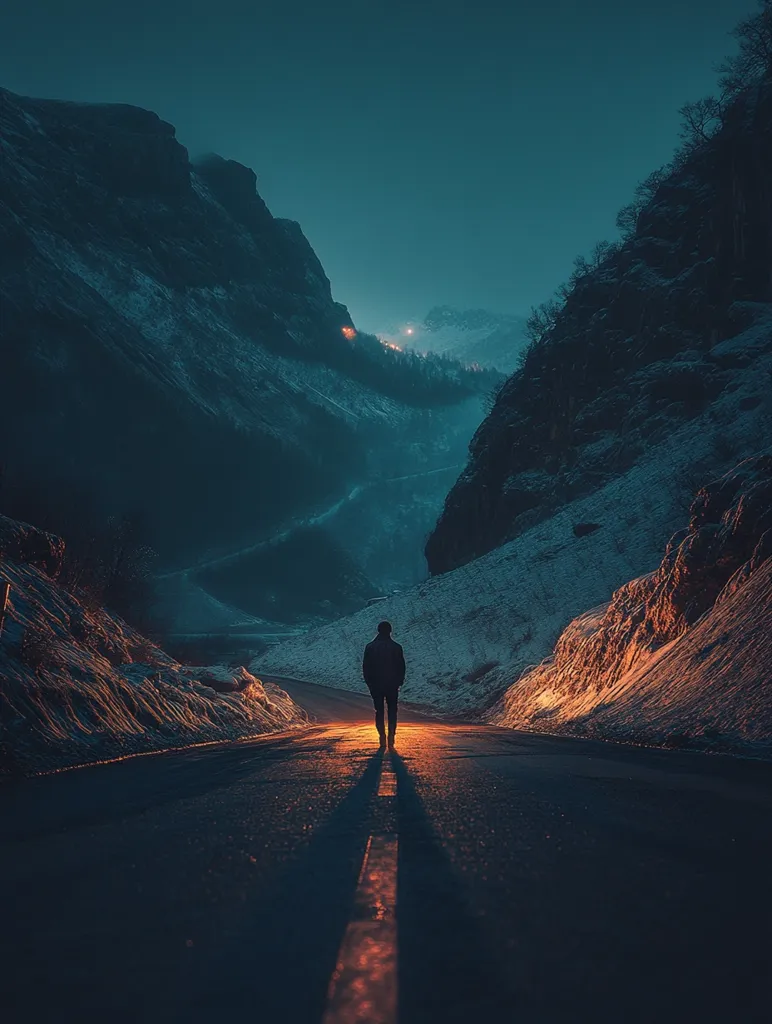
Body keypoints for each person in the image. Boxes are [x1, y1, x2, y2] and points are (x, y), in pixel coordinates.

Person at [362, 620, 406, 751]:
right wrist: (399, 681)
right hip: (392, 684)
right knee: (392, 711)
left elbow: (366, 667)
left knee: (379, 711)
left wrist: (369, 683)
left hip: (376, 684)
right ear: (390, 631)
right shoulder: (396, 647)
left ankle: (382, 737)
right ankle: (391, 738)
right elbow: (401, 667)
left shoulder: (370, 647)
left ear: (378, 631)